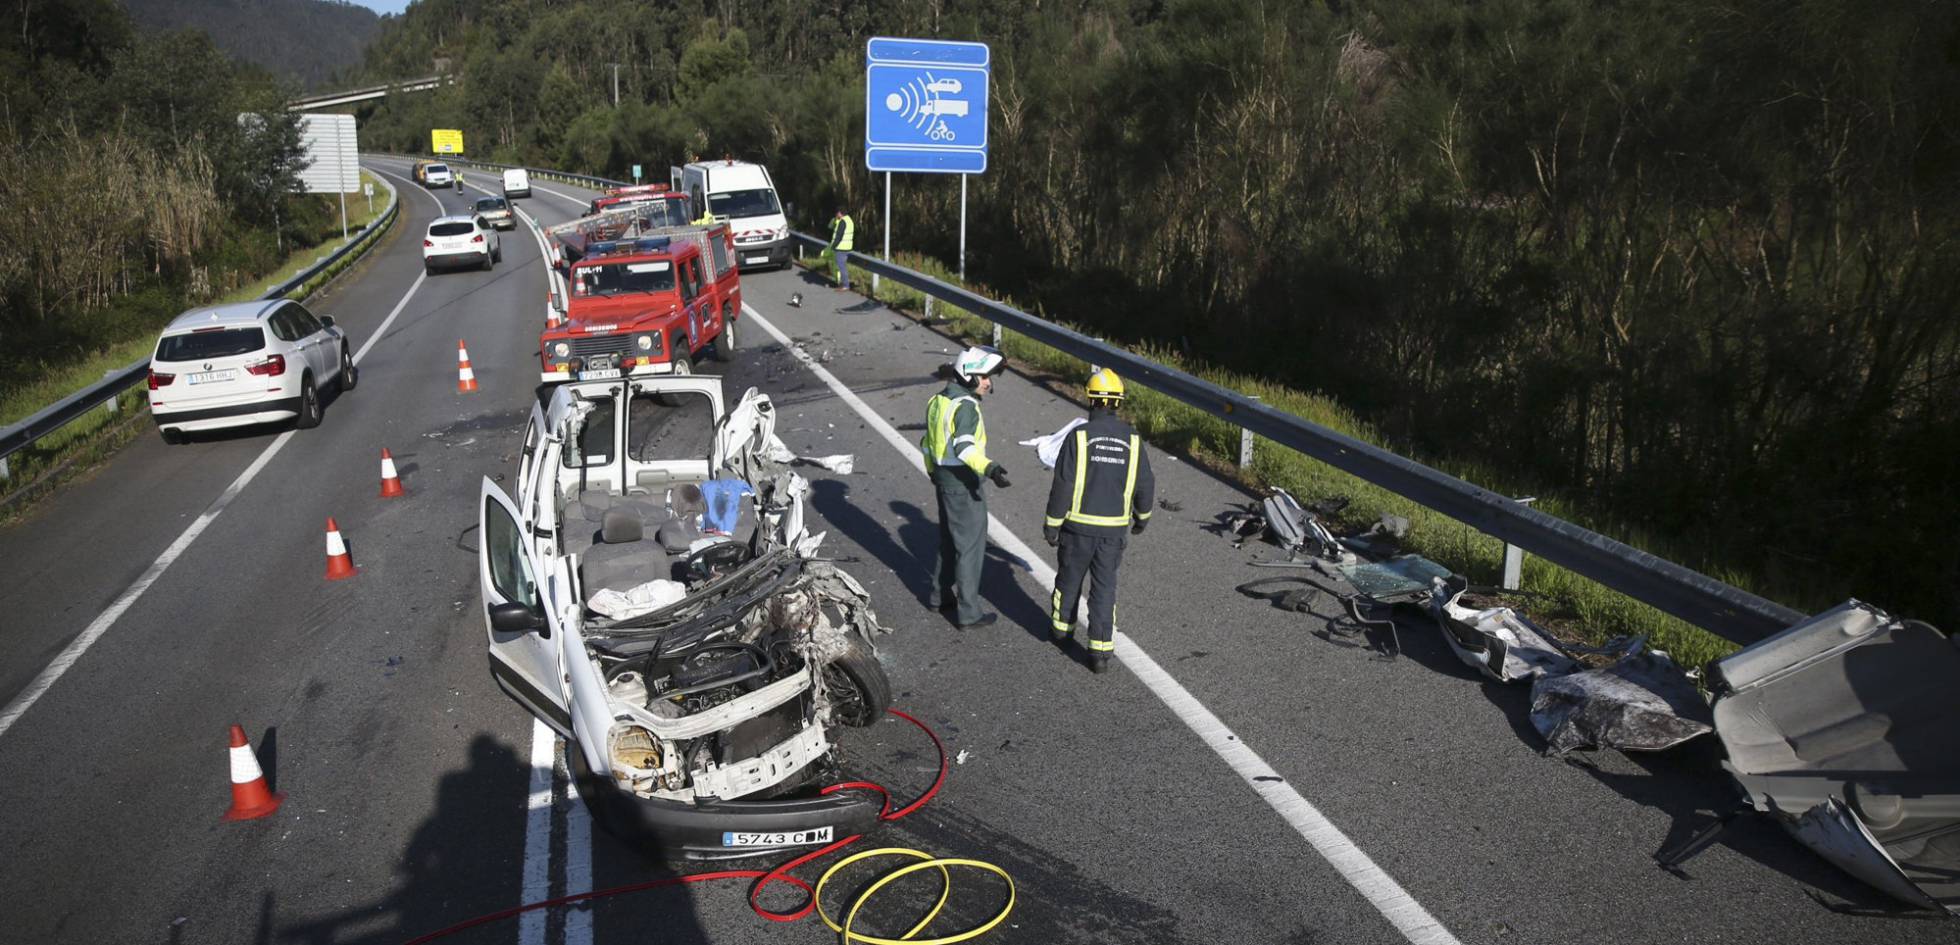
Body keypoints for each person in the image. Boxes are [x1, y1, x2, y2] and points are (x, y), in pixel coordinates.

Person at [1043, 369, 1155, 673]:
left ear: (1091, 400)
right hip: (1113, 532)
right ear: (1118, 402)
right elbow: (1145, 483)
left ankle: (1061, 631)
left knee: (1068, 581)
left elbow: (1063, 484)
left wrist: (1052, 523)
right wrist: (1142, 518)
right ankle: (1100, 653)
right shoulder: (1132, 440)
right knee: (1104, 589)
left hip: (1077, 529)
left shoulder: (1078, 437)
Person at [921, 346, 1011, 628]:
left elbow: (927, 443)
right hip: (962, 482)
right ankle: (969, 613)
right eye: (984, 376)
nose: (988, 383)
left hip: (943, 480)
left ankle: (939, 596)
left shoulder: (938, 400)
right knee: (970, 547)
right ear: (969, 375)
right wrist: (991, 468)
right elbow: (964, 447)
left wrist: (933, 472)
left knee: (949, 540)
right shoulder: (966, 407)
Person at [829, 208, 855, 292]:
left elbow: (839, 236)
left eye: (837, 213)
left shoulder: (842, 221)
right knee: (843, 266)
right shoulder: (849, 220)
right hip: (847, 247)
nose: (836, 215)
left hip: (841, 247)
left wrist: (833, 246)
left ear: (840, 213)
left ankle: (845, 285)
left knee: (841, 267)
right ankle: (845, 283)